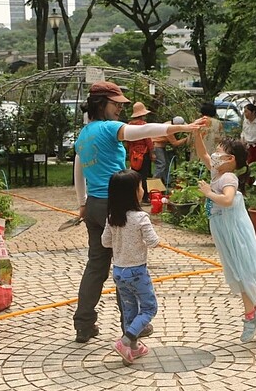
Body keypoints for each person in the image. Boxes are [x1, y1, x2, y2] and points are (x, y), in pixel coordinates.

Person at [73, 81, 204, 343]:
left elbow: (78, 168)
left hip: (95, 206)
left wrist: (82, 203)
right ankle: (132, 326)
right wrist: (181, 127)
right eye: (116, 104)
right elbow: (142, 130)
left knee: (96, 265)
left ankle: (83, 325)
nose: (120, 108)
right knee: (126, 263)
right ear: (102, 104)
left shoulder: (83, 134)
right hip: (117, 205)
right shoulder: (109, 129)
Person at [193, 131, 256, 342]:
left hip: (233, 231)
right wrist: (196, 133)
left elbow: (228, 199)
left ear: (230, 160)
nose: (214, 155)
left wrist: (208, 193)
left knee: (241, 271)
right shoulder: (217, 173)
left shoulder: (228, 177)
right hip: (224, 229)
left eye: (219, 153)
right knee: (237, 271)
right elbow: (201, 153)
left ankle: (253, 315)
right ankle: (254, 312)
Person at [101, 169, 159, 364]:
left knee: (129, 309)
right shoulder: (141, 218)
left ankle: (131, 349)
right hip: (137, 271)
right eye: (140, 186)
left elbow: (105, 242)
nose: (143, 189)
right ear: (134, 192)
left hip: (118, 272)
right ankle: (126, 340)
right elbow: (152, 241)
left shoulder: (112, 217)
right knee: (149, 308)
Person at [126, 102, 154, 204]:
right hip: (144, 153)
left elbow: (128, 141)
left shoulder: (129, 125)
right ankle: (145, 198)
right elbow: (148, 140)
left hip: (134, 154)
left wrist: (130, 154)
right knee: (143, 176)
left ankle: (134, 196)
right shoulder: (143, 125)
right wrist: (152, 152)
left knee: (134, 176)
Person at [152, 116, 189, 187]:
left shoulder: (169, 124)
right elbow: (175, 143)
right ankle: (154, 184)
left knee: (167, 163)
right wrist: (187, 139)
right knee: (161, 164)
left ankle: (167, 182)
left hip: (161, 146)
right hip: (156, 146)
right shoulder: (168, 129)